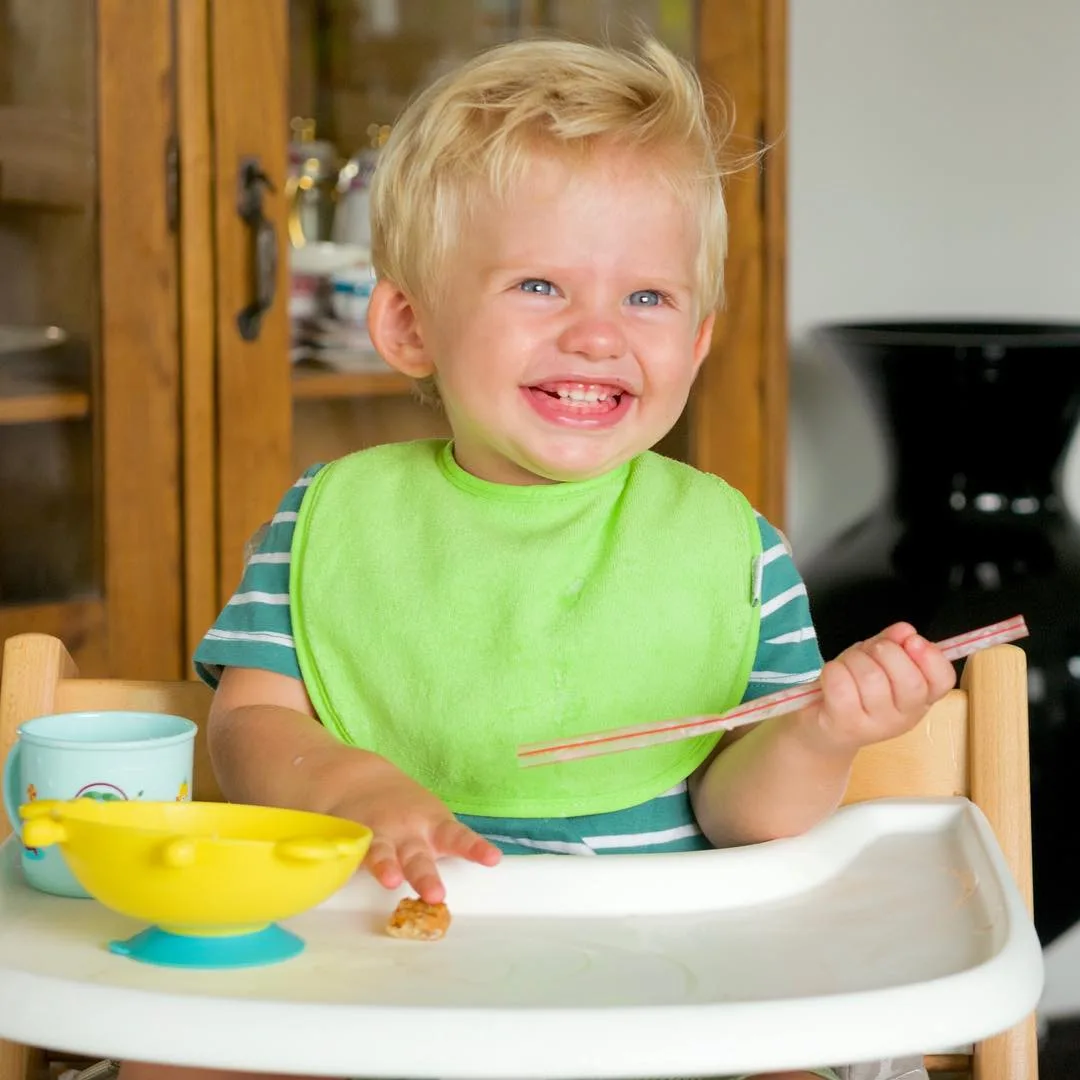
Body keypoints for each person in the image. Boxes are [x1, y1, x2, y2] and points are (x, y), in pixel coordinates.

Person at [123, 35, 955, 1080]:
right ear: (410, 324)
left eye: (646, 298)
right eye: (539, 287)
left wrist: (824, 734)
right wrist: (351, 787)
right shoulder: (327, 521)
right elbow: (247, 728)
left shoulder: (736, 549)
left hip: (667, 998)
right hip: (381, 992)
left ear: (697, 341)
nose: (600, 335)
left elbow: (748, 820)